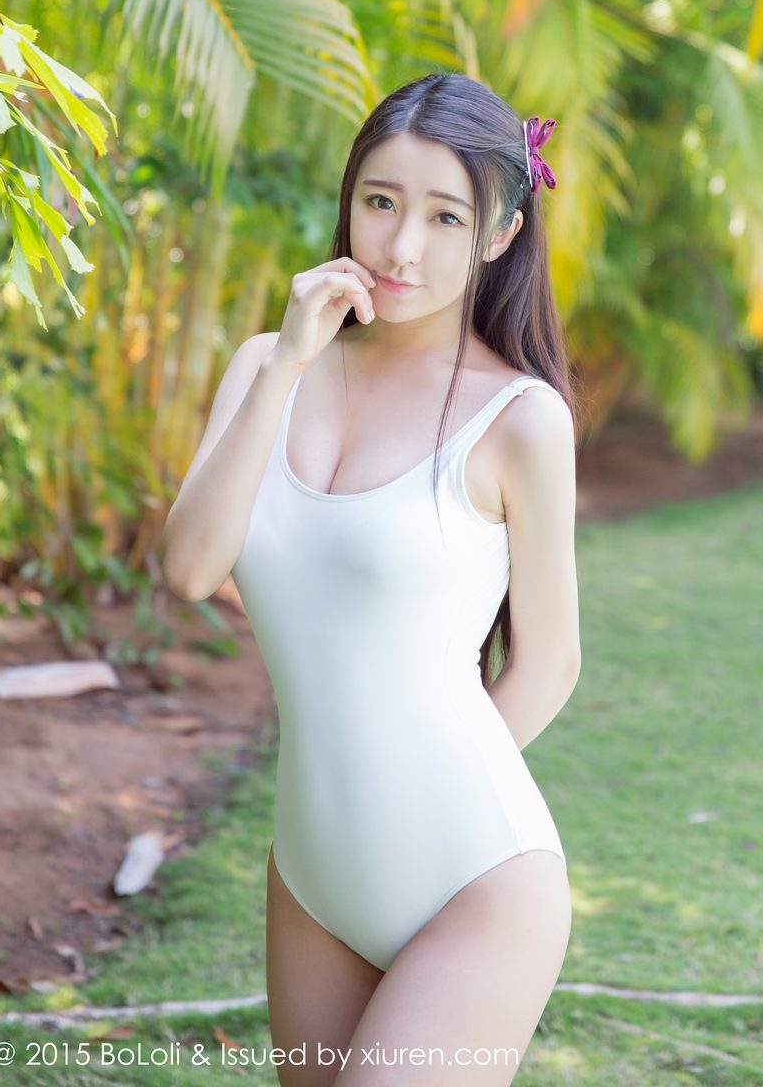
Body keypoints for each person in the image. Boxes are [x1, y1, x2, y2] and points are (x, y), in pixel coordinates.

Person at [161, 73, 581, 1085]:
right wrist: (288, 362)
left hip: (472, 870)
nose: (400, 247)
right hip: (313, 871)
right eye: (381, 201)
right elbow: (191, 567)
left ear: (499, 234)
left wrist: (420, 802)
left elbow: (550, 663)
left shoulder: (520, 419)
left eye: (445, 217)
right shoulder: (266, 365)